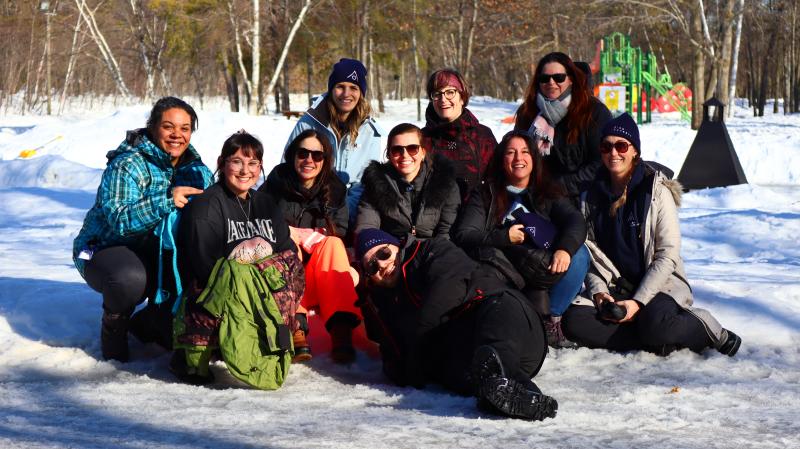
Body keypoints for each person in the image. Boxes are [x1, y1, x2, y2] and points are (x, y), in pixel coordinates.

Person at [561, 113, 742, 357]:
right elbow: (592, 254)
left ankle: (708, 329)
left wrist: (637, 303)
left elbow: (667, 255)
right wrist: (599, 293)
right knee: (573, 321)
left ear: (634, 150)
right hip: (617, 287)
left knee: (657, 326)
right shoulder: (589, 196)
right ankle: (653, 339)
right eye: (606, 146)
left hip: (659, 286)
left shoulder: (655, 191)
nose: (613, 153)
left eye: (621, 145)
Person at [356, 228, 558, 421]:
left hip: (513, 327)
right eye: (372, 266)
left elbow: (446, 291)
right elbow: (393, 357)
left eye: (383, 253)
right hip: (468, 357)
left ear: (397, 247)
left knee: (496, 310)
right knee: (454, 369)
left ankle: (507, 386)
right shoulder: (384, 303)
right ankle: (512, 395)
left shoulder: (430, 250)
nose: (382, 265)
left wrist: (416, 353)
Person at [72, 96, 213, 362]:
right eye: (168, 126)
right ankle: (114, 328)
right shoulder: (127, 164)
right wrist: (166, 199)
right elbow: (119, 222)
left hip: (154, 251)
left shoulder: (197, 170)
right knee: (129, 279)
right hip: (99, 248)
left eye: (185, 129)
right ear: (152, 127)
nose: (177, 135)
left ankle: (151, 321)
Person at [173, 131, 299, 384]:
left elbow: (288, 252)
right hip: (218, 294)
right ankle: (197, 352)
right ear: (221, 163)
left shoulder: (266, 204)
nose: (245, 171)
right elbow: (203, 266)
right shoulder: (206, 207)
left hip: (263, 291)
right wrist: (250, 280)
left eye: (253, 163)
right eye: (237, 161)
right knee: (232, 275)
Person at [453, 130, 589, 348]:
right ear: (501, 159)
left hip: (543, 267)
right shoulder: (486, 193)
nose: (519, 158)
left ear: (534, 158)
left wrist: (564, 249)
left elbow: (575, 221)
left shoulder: (547, 189)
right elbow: (464, 234)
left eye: (525, 152)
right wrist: (504, 237)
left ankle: (553, 320)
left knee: (580, 254)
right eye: (511, 152)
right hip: (506, 271)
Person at [261, 129, 362, 363]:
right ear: (293, 155)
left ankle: (341, 330)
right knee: (287, 243)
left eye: (317, 155)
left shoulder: (334, 189)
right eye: (303, 153)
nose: (309, 160)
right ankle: (296, 327)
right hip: (283, 278)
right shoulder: (275, 184)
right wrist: (292, 234)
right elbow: (260, 223)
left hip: (321, 275)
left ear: (325, 160)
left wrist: (313, 236)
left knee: (333, 243)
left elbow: (341, 230)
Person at [285, 58, 383, 222]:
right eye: (340, 87)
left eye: (353, 88)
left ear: (361, 93)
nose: (346, 94)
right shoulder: (310, 122)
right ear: (331, 89)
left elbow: (364, 184)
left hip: (350, 213)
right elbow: (288, 167)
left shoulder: (370, 132)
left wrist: (342, 217)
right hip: (307, 209)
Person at [515, 52, 612, 202]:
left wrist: (560, 187)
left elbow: (601, 162)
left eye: (559, 78)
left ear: (571, 79)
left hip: (582, 198)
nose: (551, 83)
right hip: (535, 195)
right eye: (544, 78)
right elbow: (516, 153)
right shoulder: (527, 112)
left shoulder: (593, 112)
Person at [355, 123, 460, 240]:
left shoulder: (443, 181)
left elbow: (446, 232)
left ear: (423, 152)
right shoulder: (376, 183)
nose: (405, 155)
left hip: (432, 249)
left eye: (412, 148)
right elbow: (367, 228)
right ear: (388, 154)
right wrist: (380, 249)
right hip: (391, 248)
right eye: (397, 150)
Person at [421, 68, 497, 201]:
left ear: (462, 97)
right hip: (432, 219)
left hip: (477, 216)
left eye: (450, 92)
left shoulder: (482, 136)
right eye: (437, 94)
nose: (443, 99)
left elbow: (498, 180)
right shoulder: (422, 138)